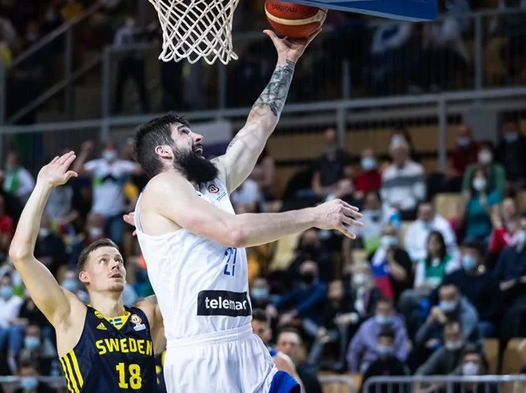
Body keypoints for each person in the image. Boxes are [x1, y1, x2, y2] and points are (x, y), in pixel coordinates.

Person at [130, 29, 362, 393]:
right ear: (163, 152)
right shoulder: (161, 188)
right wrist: (316, 216)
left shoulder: (210, 180)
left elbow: (258, 126)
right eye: (184, 132)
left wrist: (286, 64)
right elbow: (234, 232)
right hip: (201, 357)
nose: (198, 137)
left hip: (244, 342)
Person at [9, 153, 162, 392]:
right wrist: (43, 187)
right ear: (84, 276)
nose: (115, 265)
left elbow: (189, 288)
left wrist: (159, 237)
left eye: (119, 260)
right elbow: (21, 255)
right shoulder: (72, 315)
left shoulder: (147, 314)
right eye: (103, 260)